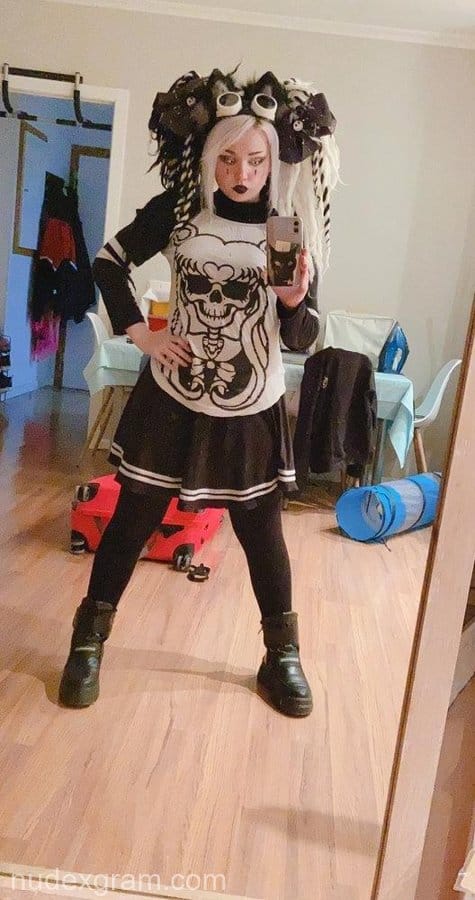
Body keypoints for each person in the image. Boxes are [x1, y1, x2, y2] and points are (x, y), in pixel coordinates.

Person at [59, 69, 339, 717]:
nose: (242, 173)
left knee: (261, 534)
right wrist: (141, 333)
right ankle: (87, 642)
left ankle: (282, 657)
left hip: (251, 406)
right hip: (172, 399)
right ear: (210, 156)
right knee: (132, 520)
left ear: (272, 161)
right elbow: (107, 263)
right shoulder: (181, 211)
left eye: (256, 160)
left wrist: (293, 299)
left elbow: (302, 338)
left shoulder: (285, 229)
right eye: (229, 158)